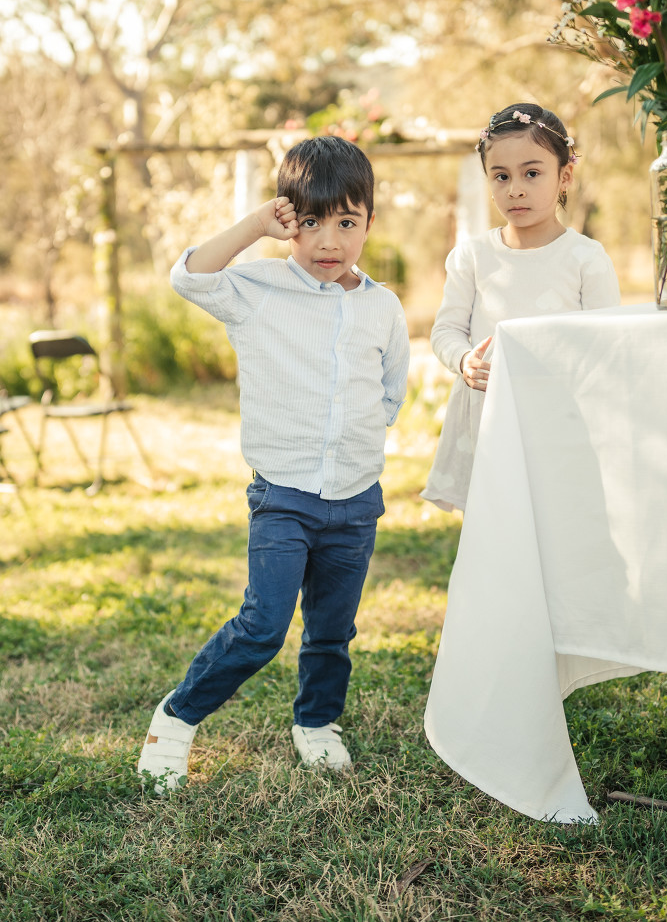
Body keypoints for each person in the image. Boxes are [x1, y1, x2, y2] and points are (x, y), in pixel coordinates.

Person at [136, 135, 409, 793]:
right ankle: (176, 717)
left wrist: (354, 441)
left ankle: (317, 722)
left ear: (369, 222)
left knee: (332, 630)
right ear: (288, 221)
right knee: (262, 626)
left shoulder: (383, 306)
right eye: (310, 222)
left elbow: (391, 391)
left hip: (356, 499)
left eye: (346, 223)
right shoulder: (257, 288)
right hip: (284, 496)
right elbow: (188, 276)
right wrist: (256, 225)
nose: (328, 242)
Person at [420, 103, 621, 513]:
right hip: (488, 417)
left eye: (532, 173)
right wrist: (463, 360)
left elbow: (606, 344)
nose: (515, 189)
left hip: (561, 419)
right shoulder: (472, 257)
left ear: (565, 176)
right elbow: (446, 330)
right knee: (494, 524)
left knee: (558, 522)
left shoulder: (586, 259)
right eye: (501, 176)